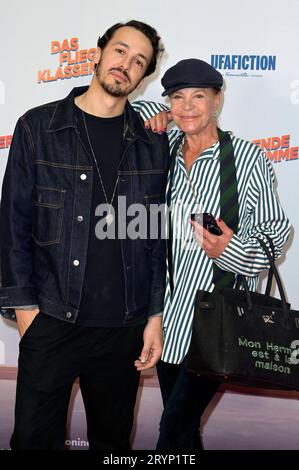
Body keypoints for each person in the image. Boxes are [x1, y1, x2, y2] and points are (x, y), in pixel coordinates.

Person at [0, 20, 170, 451]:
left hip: (123, 328)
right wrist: (26, 312)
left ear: (144, 76)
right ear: (98, 53)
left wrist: (153, 317)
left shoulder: (152, 145)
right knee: (34, 443)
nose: (125, 65)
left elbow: (155, 240)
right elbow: (13, 225)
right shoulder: (39, 128)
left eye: (139, 62)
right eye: (120, 51)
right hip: (52, 320)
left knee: (113, 445)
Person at [135, 58, 291, 450]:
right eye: (177, 98)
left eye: (199, 97)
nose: (187, 107)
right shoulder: (161, 149)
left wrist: (230, 249)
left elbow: (275, 235)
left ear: (217, 100)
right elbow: (119, 111)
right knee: (185, 432)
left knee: (171, 430)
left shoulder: (247, 158)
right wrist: (156, 112)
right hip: (167, 320)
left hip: (218, 326)